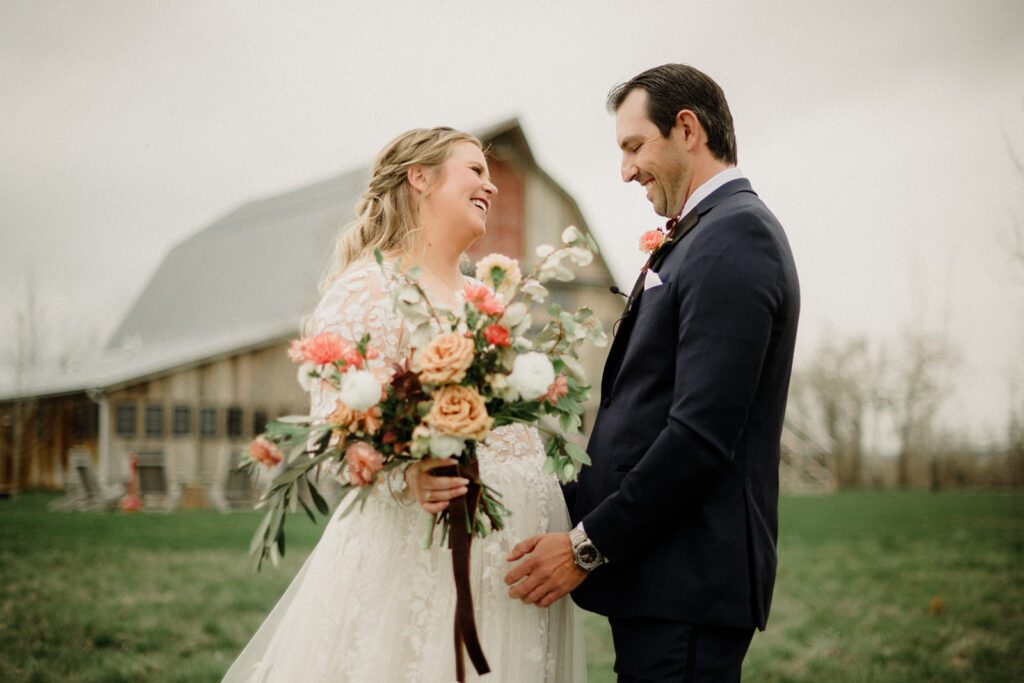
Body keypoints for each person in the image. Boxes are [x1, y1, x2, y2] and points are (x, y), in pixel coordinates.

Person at [224, 127, 584, 682]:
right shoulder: (368, 288)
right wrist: (404, 476)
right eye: (475, 170)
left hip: (514, 566)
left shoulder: (484, 300)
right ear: (420, 177)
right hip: (424, 559)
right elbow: (334, 426)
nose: (491, 185)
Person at [504, 64, 800, 681]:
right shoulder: (704, 234)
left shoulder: (737, 236)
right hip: (661, 581)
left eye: (635, 146)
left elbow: (700, 436)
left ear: (687, 130)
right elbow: (641, 417)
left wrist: (586, 547)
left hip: (688, 583)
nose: (626, 170)